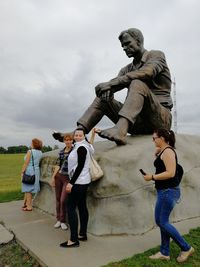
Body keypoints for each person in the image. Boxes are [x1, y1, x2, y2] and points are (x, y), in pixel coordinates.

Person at [53, 28, 172, 145]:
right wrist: (106, 90)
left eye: (127, 43)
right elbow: (114, 84)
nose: (125, 48)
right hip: (136, 123)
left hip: (159, 120)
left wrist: (110, 84)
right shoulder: (126, 69)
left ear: (139, 41)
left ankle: (120, 130)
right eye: (123, 46)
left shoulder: (156, 55)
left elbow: (147, 72)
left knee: (137, 82)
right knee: (103, 98)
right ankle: (78, 132)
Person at [141, 128, 194, 263]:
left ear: (162, 138)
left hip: (168, 191)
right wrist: (156, 154)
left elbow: (170, 173)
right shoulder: (163, 151)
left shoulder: (169, 151)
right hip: (164, 191)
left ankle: (186, 247)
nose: (153, 140)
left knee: (162, 221)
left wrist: (152, 177)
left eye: (154, 138)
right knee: (162, 221)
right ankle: (165, 252)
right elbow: (162, 167)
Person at [60, 128, 96, 248]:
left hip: (79, 182)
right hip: (83, 181)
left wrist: (71, 183)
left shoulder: (81, 147)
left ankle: (74, 239)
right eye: (76, 135)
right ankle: (82, 234)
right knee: (81, 206)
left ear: (83, 136)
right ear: (74, 136)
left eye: (80, 135)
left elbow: (80, 166)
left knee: (70, 207)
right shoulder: (80, 146)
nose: (78, 136)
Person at [51, 134, 74, 230]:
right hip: (58, 176)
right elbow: (57, 165)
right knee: (57, 199)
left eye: (69, 140)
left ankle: (63, 220)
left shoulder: (75, 151)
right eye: (66, 140)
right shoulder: (61, 152)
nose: (68, 142)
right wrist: (53, 177)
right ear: (64, 141)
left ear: (72, 141)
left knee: (63, 200)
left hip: (67, 178)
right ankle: (59, 220)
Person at [21, 138, 43, 211]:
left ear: (34, 144)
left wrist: (22, 172)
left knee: (28, 189)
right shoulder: (40, 152)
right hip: (36, 171)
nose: (31, 144)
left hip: (29, 171)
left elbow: (26, 163)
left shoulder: (30, 151)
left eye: (32, 143)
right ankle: (25, 204)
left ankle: (29, 207)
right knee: (29, 188)